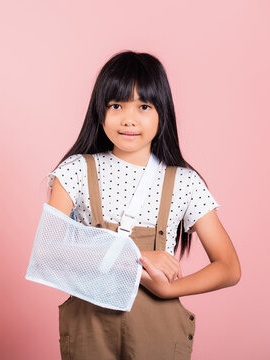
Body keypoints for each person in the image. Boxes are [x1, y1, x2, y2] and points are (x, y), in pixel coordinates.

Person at [46, 50, 241, 360]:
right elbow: (51, 253)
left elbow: (229, 267)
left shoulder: (184, 182)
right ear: (100, 111)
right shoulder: (75, 171)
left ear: (162, 113)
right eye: (116, 105)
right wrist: (135, 257)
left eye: (144, 106)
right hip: (90, 331)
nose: (129, 118)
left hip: (158, 334)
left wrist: (169, 290)